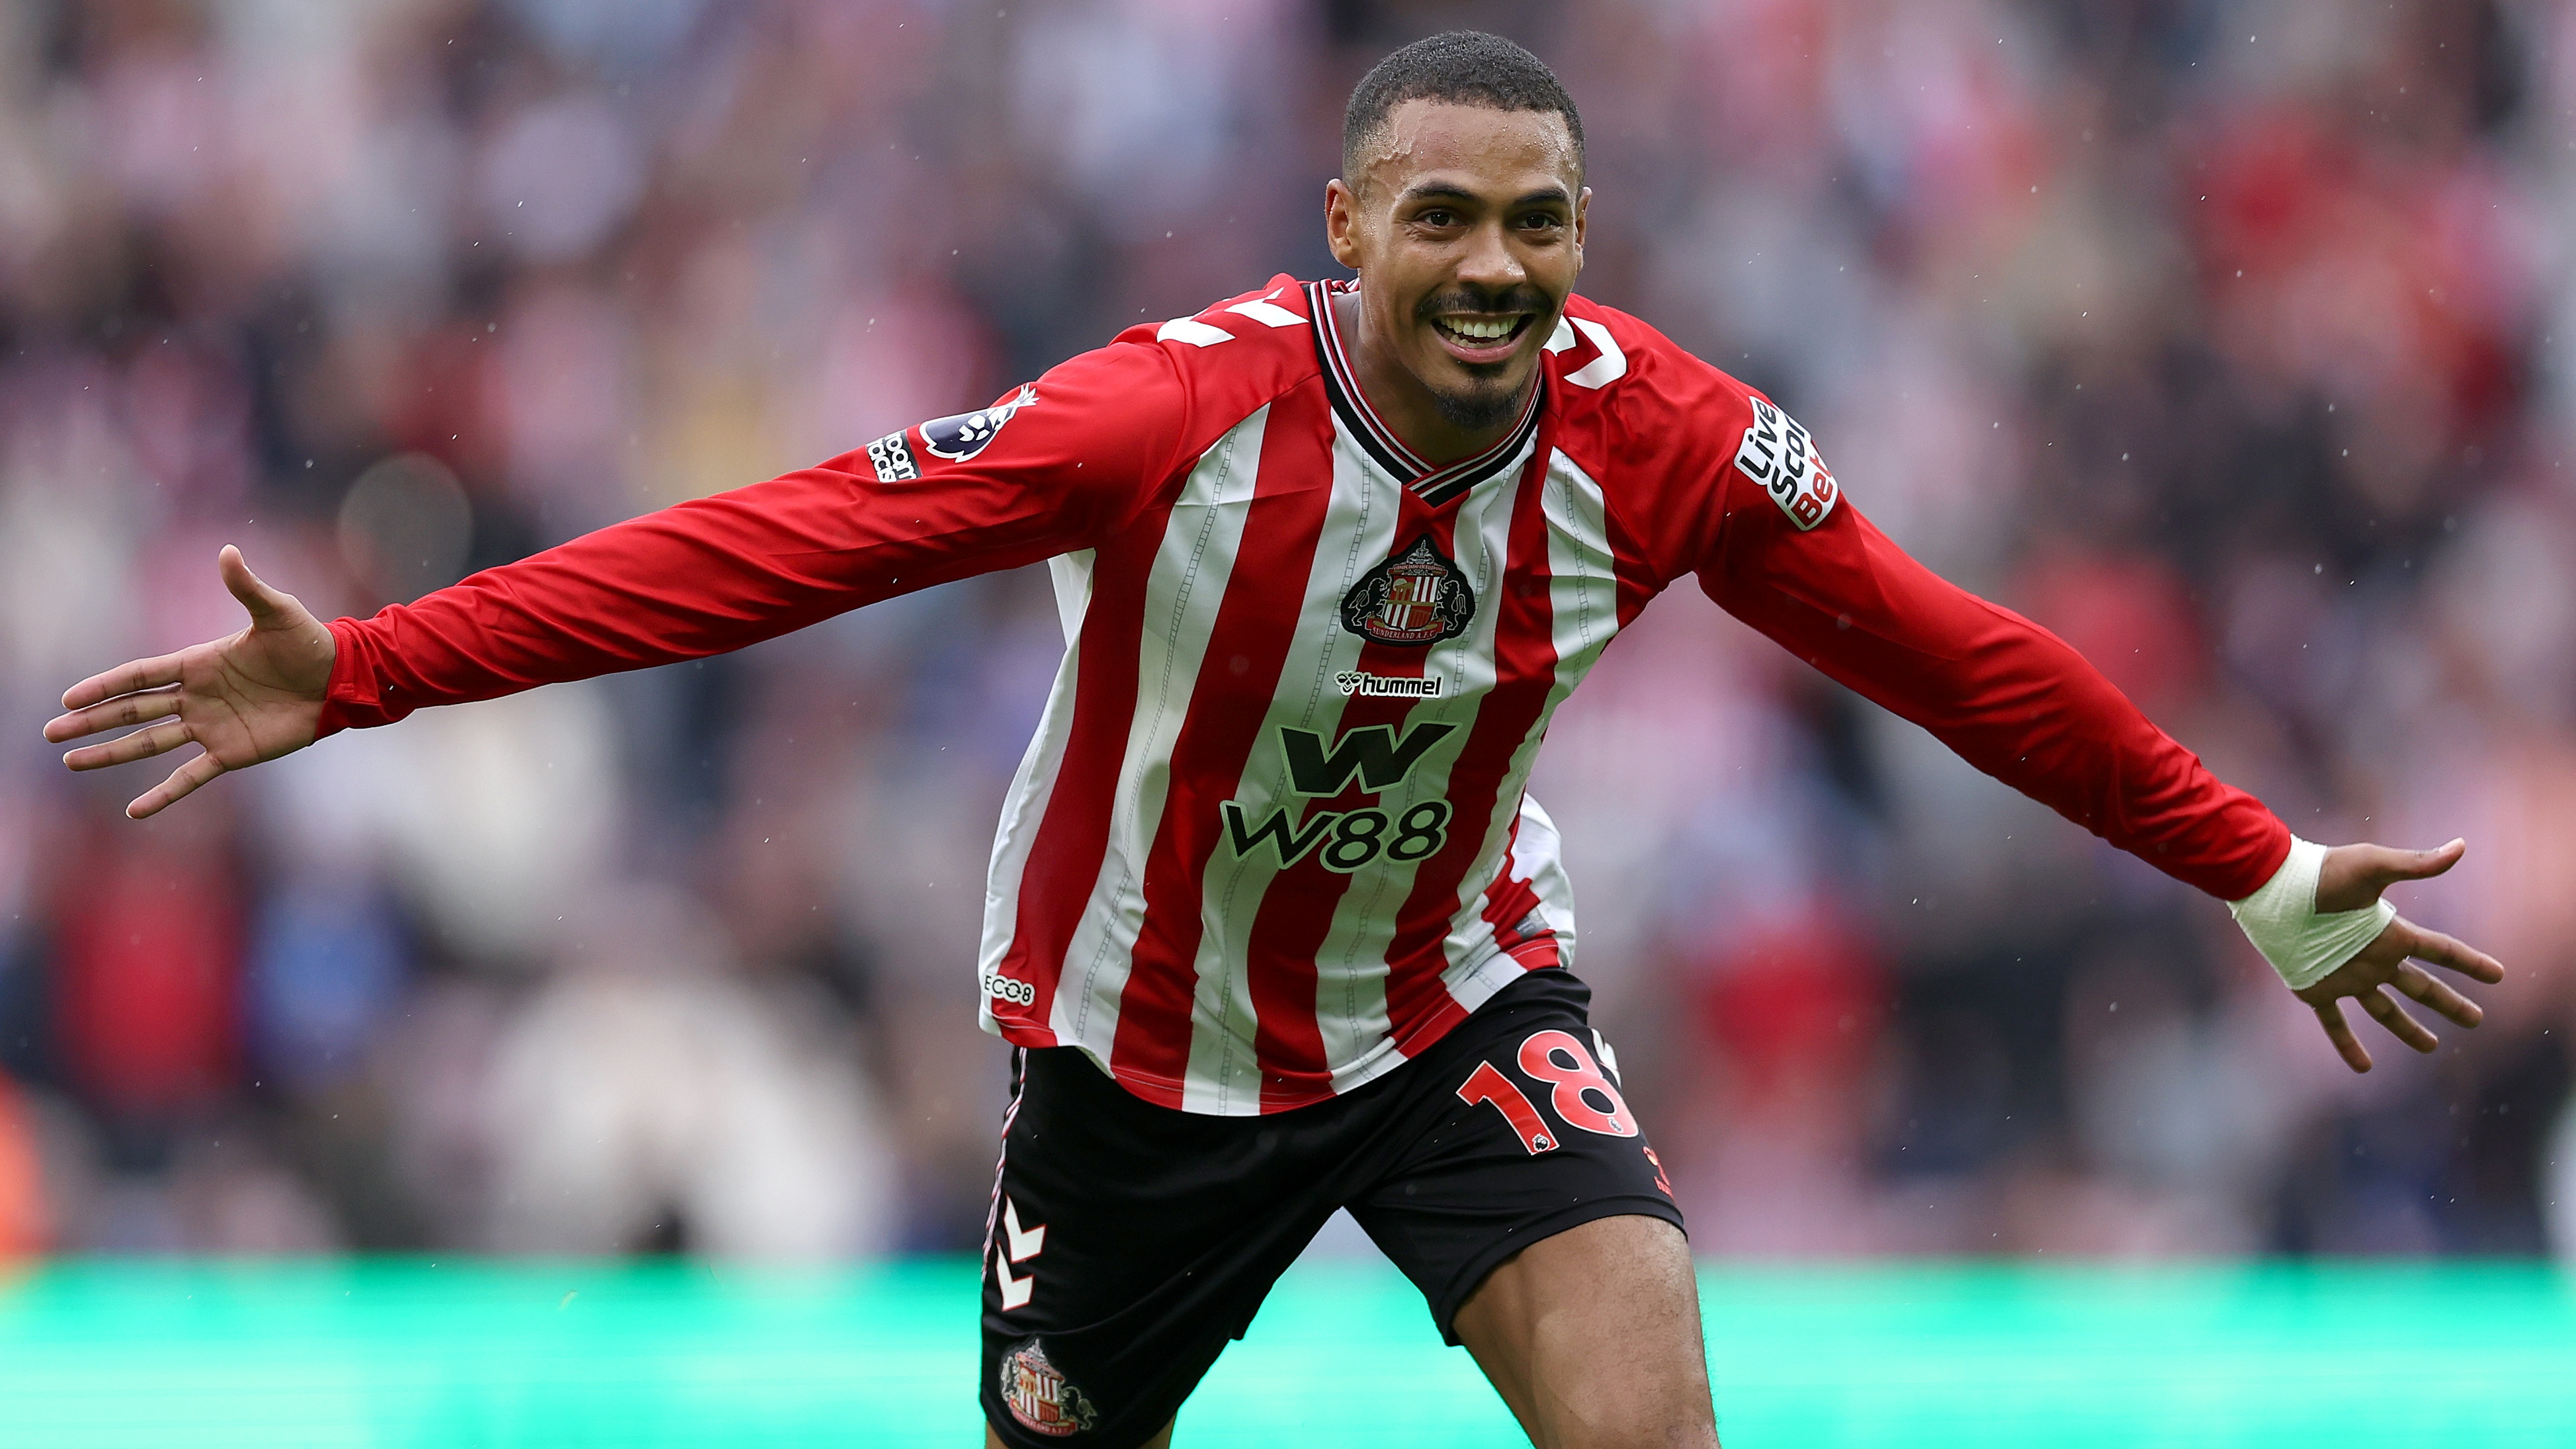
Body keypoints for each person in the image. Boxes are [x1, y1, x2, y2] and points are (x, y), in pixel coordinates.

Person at [45, 31, 2503, 1449]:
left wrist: (2255, 867)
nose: (1501, 271)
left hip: (1454, 1011)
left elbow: (1959, 658)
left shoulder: (1667, 445)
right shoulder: (1164, 421)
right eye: (1446, 219)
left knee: (1654, 1427)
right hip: (1129, 1052)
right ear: (1346, 226)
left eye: (1542, 223)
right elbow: (775, 545)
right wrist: (364, 668)